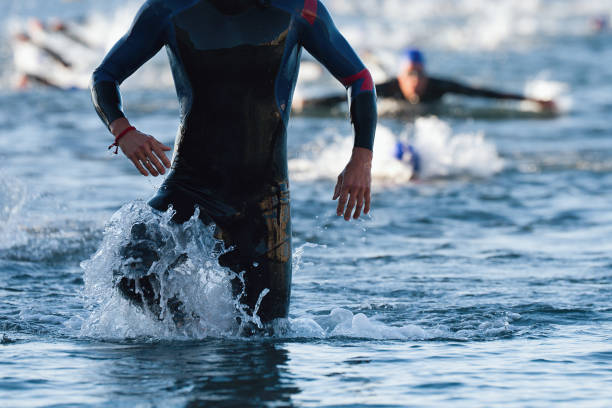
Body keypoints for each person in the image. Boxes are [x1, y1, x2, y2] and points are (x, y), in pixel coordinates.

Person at [90, 0, 377, 328]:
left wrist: (362, 158)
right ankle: (189, 336)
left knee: (265, 334)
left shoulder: (301, 9)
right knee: (131, 271)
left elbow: (360, 80)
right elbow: (104, 77)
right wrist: (122, 130)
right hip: (190, 187)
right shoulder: (167, 9)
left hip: (264, 203)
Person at [302, 48, 555, 110]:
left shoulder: (438, 86)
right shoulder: (390, 87)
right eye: (410, 74)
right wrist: (307, 104)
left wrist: (533, 100)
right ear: (401, 76)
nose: (416, 80)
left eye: (420, 74)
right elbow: (345, 96)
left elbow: (484, 93)